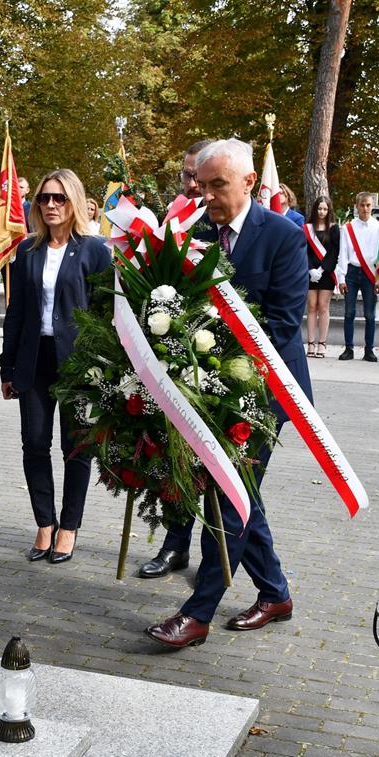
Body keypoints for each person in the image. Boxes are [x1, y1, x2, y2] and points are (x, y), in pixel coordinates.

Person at [144, 138, 312, 649]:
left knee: (229, 496)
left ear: (249, 183)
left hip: (264, 393)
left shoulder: (284, 236)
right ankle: (275, 594)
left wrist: (215, 358)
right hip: (205, 388)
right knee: (241, 494)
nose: (207, 194)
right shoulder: (195, 233)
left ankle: (198, 614)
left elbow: (283, 324)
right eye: (201, 184)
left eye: (218, 185)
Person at [0, 170, 111, 564]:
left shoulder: (95, 250)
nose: (50, 205)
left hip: (78, 364)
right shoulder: (27, 251)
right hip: (34, 361)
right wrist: (7, 368)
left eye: (59, 198)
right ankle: (44, 523)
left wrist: (103, 369)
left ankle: (69, 527)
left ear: (74, 202)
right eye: (44, 198)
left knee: (76, 448)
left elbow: (105, 313)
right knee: (34, 443)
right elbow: (15, 313)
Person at [137, 138, 214, 580]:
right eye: (187, 175)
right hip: (172, 350)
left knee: (216, 465)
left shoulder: (219, 221)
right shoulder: (174, 217)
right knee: (175, 455)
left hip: (216, 357)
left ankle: (217, 556)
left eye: (198, 177)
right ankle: (174, 545)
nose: (192, 184)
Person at [336, 192, 379, 362]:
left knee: (370, 314)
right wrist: (341, 278)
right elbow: (343, 253)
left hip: (370, 273)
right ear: (356, 206)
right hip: (352, 272)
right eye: (362, 205)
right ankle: (349, 349)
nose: (365, 208)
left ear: (372, 206)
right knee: (349, 313)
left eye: (368, 205)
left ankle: (369, 350)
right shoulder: (348, 228)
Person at [304, 196, 339, 358]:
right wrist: (311, 269)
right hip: (310, 273)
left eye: (325, 209)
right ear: (315, 209)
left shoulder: (333, 229)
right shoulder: (307, 228)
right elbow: (304, 251)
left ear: (329, 210)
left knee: (323, 307)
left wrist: (322, 269)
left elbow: (334, 252)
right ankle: (310, 343)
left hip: (326, 273)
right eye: (319, 208)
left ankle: (322, 343)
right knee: (311, 306)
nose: (322, 212)